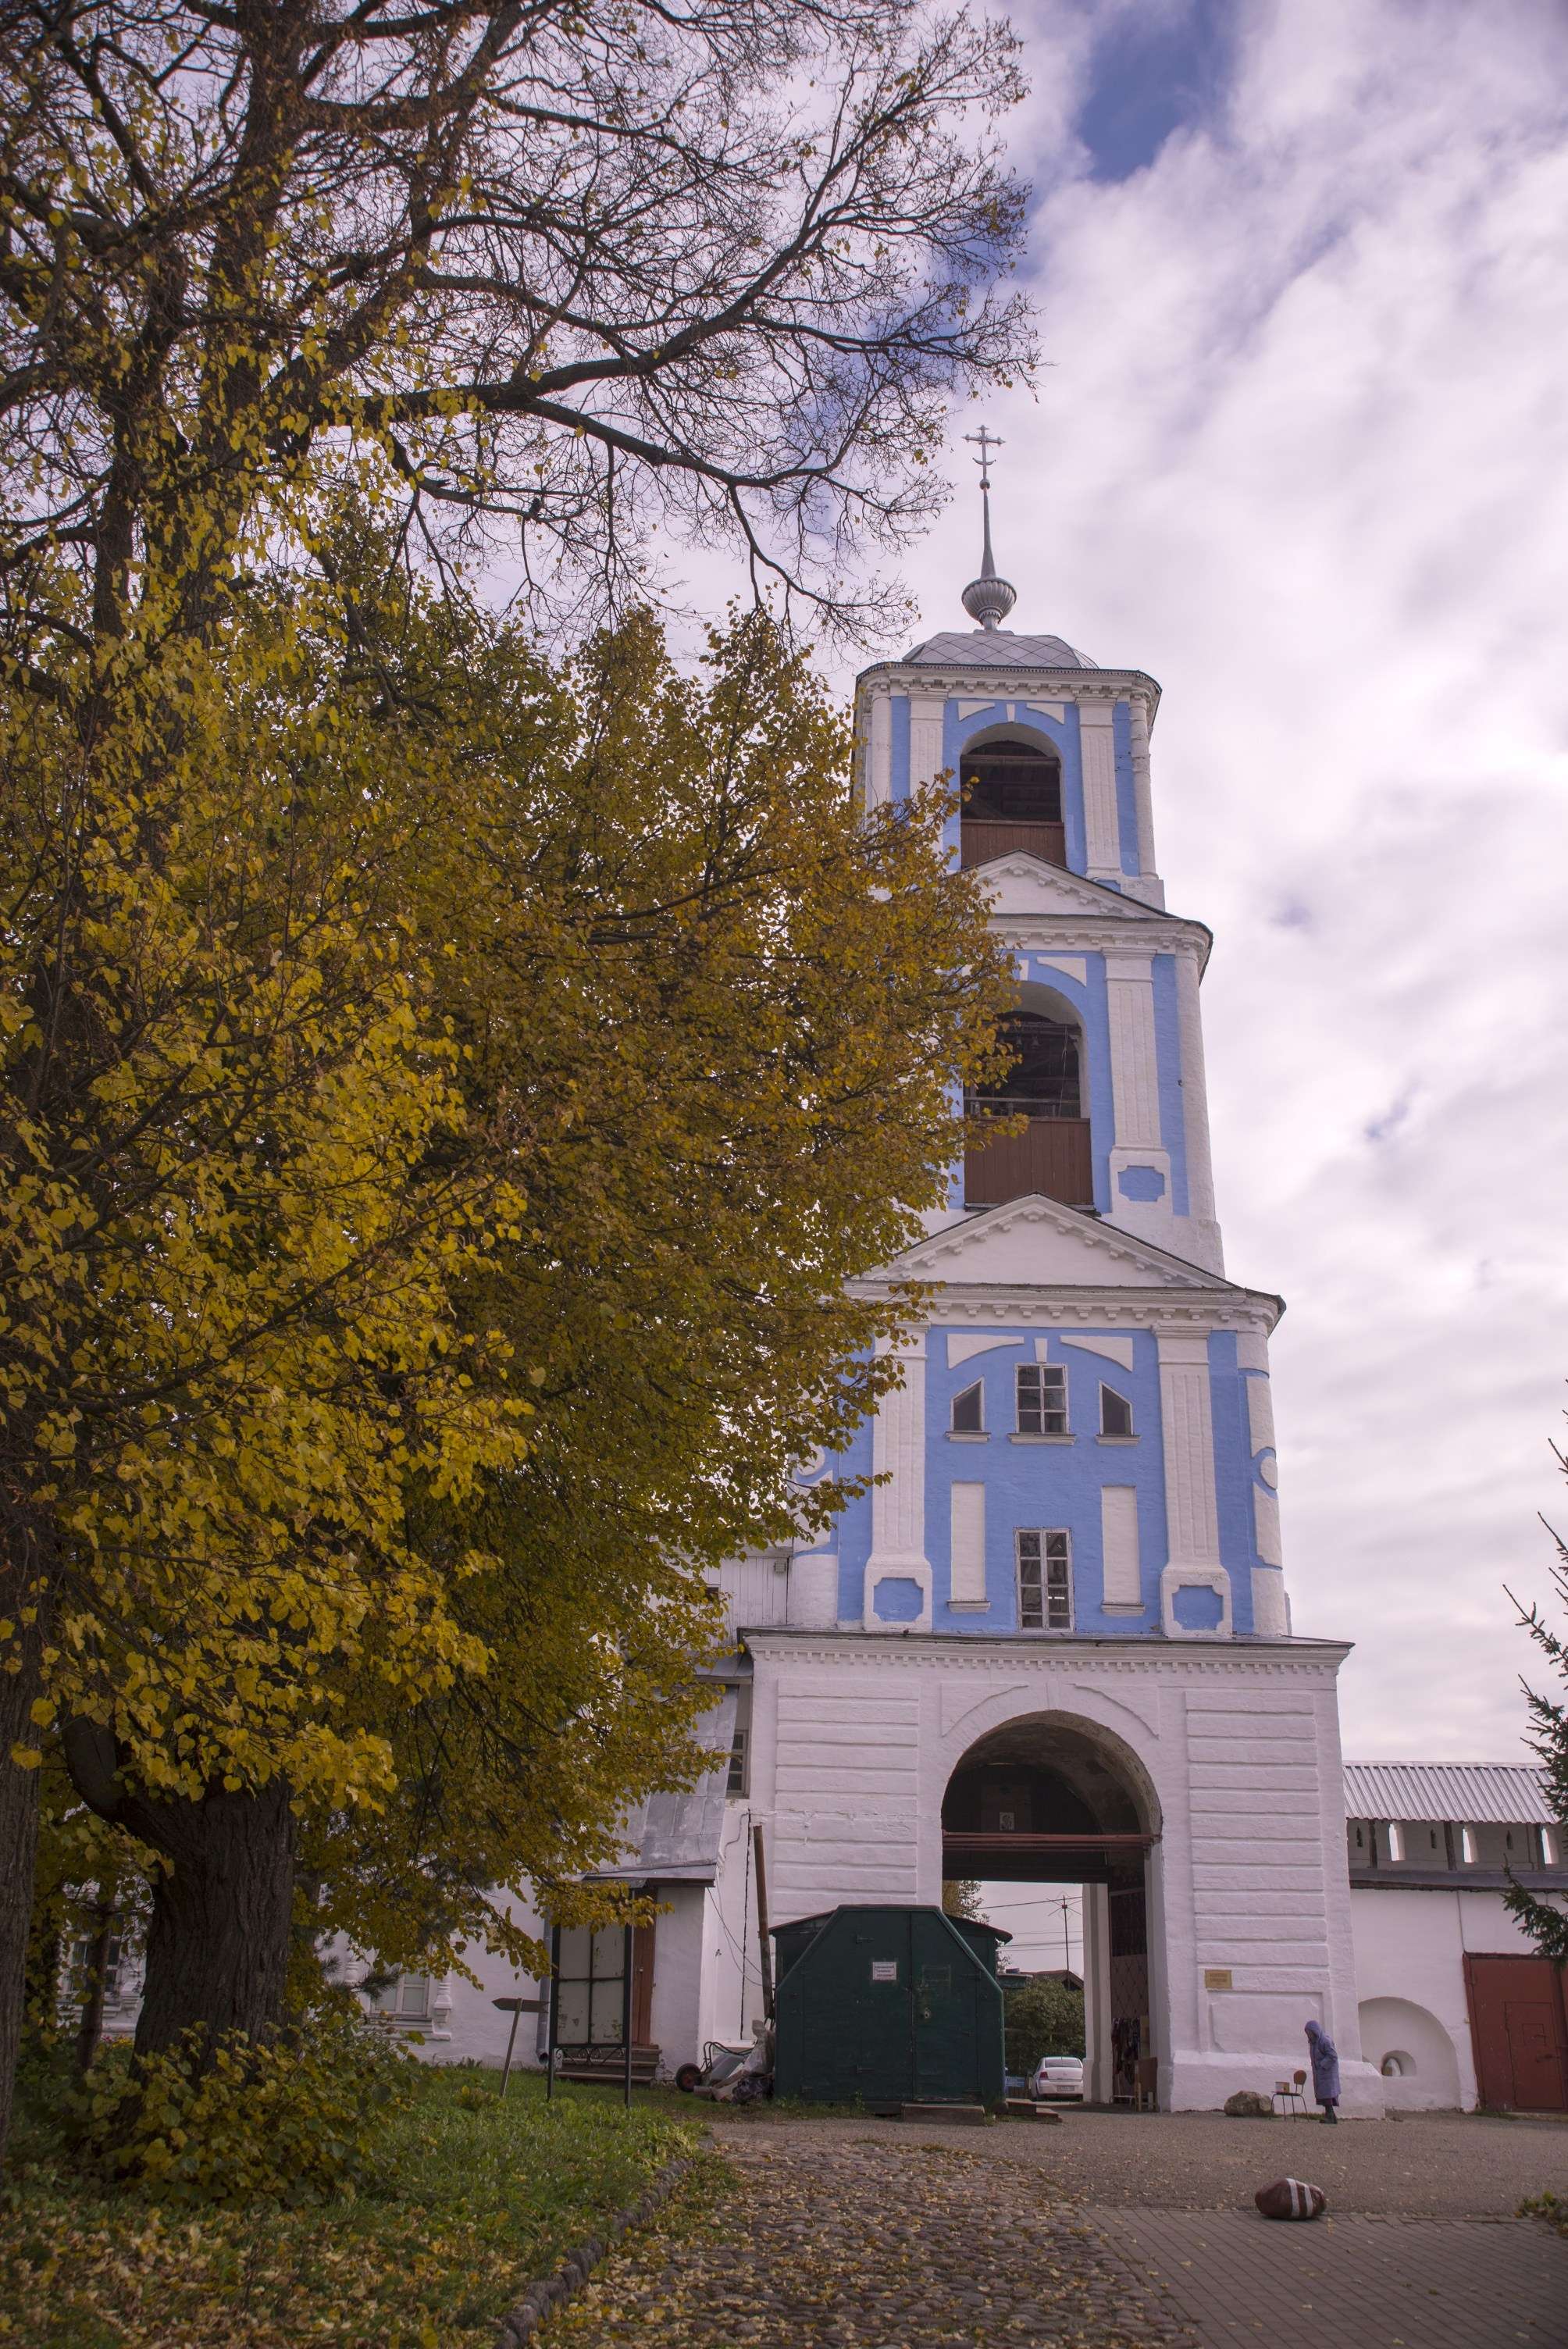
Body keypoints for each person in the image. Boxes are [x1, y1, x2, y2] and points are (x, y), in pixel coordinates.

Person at [1305, 2018, 1340, 2123]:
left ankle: (1329, 2116)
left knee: (1327, 2094)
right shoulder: (1313, 2042)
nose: (1309, 2036)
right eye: (1308, 2034)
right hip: (1319, 2073)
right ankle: (1331, 2116)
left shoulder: (1325, 2040)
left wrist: (1321, 2065)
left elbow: (1333, 2056)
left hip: (1327, 2073)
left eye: (1310, 2033)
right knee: (1324, 2094)